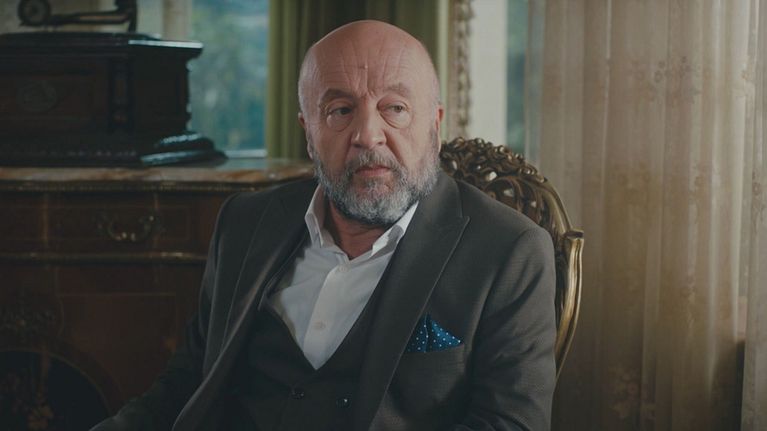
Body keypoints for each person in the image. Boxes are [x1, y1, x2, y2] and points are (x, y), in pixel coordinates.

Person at [92, 20, 556, 431]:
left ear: (435, 126)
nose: (367, 135)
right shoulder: (244, 223)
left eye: (395, 108)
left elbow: (510, 423)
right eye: (340, 110)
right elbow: (187, 384)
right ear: (309, 134)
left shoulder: (509, 251)